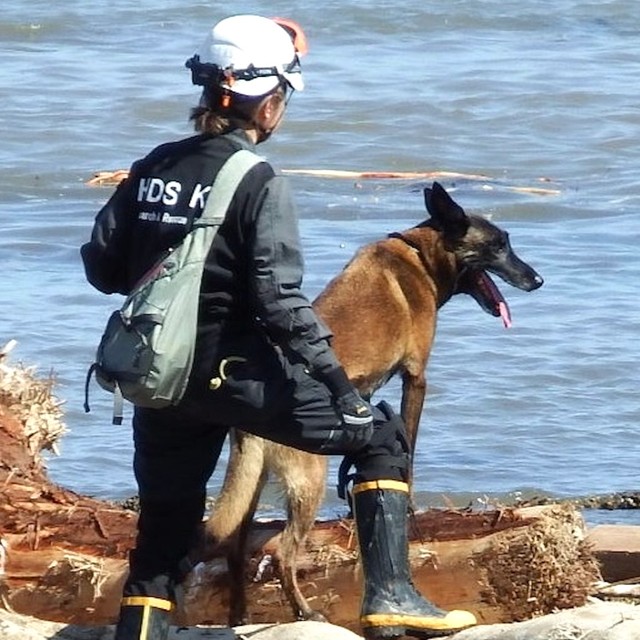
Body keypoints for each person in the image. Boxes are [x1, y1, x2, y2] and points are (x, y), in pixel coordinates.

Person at [80, 14, 477, 640]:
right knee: (380, 434)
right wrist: (342, 393)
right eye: (284, 95)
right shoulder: (257, 180)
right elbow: (280, 304)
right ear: (265, 102)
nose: (283, 109)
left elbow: (102, 269)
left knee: (159, 543)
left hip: (157, 382)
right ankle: (392, 596)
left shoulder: (153, 165)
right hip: (239, 379)